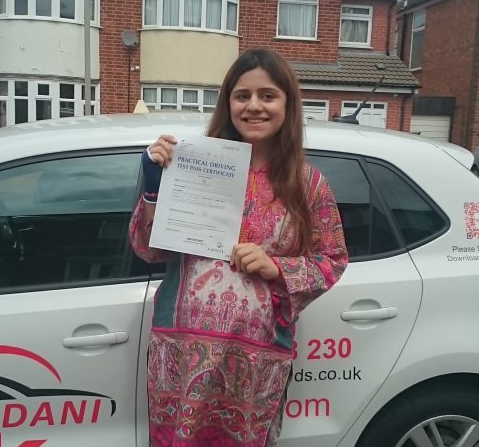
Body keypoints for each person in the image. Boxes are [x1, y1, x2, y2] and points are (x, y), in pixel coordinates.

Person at [129, 47, 348, 447]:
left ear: (287, 104)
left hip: (254, 360)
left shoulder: (308, 185)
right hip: (181, 353)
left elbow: (332, 260)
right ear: (228, 102)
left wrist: (276, 267)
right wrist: (153, 186)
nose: (254, 106)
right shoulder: (191, 164)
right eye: (242, 95)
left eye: (268, 95)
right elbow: (149, 250)